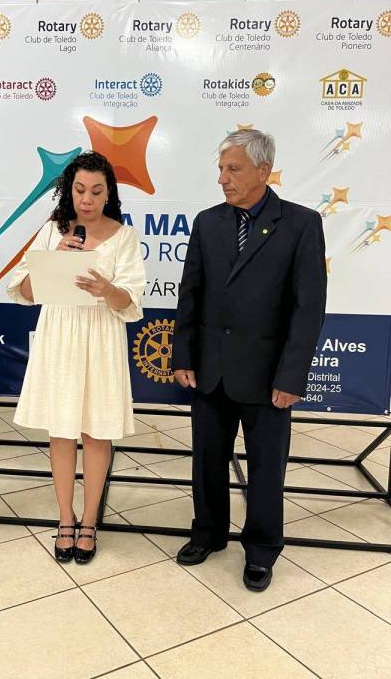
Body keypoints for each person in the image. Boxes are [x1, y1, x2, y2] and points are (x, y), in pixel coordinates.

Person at [172, 129, 326, 592]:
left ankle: (260, 550)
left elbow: (308, 308)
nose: (223, 178)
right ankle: (208, 534)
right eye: (221, 169)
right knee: (207, 462)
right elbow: (191, 294)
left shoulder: (301, 223)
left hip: (268, 375)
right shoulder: (208, 222)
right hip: (211, 370)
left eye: (233, 169)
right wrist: (183, 355)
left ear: (263, 170)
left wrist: (292, 376)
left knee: (265, 470)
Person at [8, 151, 145, 564]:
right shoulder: (52, 230)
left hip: (101, 336)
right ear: (69, 191)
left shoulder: (124, 237)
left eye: (96, 191)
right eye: (80, 190)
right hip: (60, 335)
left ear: (109, 193)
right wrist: (57, 259)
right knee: (62, 430)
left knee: (97, 432)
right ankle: (65, 518)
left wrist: (107, 289)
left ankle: (89, 522)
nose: (87, 199)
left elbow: (129, 303)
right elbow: (24, 292)